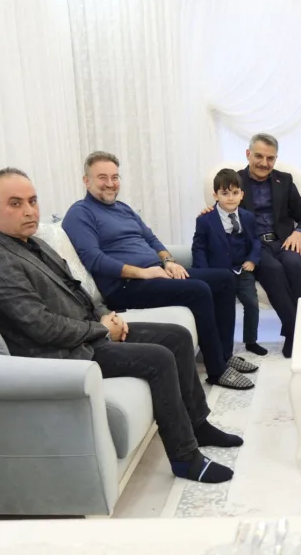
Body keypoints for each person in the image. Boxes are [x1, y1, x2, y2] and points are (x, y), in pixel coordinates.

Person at [0, 168, 239, 484]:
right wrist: (102, 330)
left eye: (32, 200)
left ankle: (198, 424)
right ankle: (185, 458)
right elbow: (42, 327)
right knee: (159, 358)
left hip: (87, 332)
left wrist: (104, 315)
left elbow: (76, 288)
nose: (29, 211)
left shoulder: (32, 243)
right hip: (64, 354)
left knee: (177, 337)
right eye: (15, 203)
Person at [61, 151, 256, 390]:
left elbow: (151, 238)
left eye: (115, 177)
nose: (110, 183)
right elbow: (94, 259)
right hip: (125, 286)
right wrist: (143, 272)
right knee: (198, 290)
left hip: (155, 273)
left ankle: (224, 355)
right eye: (102, 177)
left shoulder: (123, 208)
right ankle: (217, 370)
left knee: (224, 279)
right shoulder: (80, 213)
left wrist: (168, 261)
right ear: (86, 180)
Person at [236, 133, 301, 359]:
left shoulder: (285, 181)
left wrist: (299, 233)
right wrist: (210, 211)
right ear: (248, 154)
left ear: (275, 159)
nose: (264, 163)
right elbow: (222, 207)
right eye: (259, 156)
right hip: (254, 245)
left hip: (285, 241)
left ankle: (291, 333)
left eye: (270, 158)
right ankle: (295, 333)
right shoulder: (235, 180)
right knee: (273, 269)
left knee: (293, 266)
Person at [192, 169, 267, 357]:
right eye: (225, 193)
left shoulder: (248, 217)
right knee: (223, 310)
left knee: (252, 304)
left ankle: (251, 340)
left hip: (242, 269)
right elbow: (199, 248)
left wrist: (252, 260)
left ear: (242, 194)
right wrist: (204, 273)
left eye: (235, 193)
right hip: (218, 272)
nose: (230, 198)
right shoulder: (205, 220)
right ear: (215, 195)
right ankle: (221, 346)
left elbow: (256, 241)